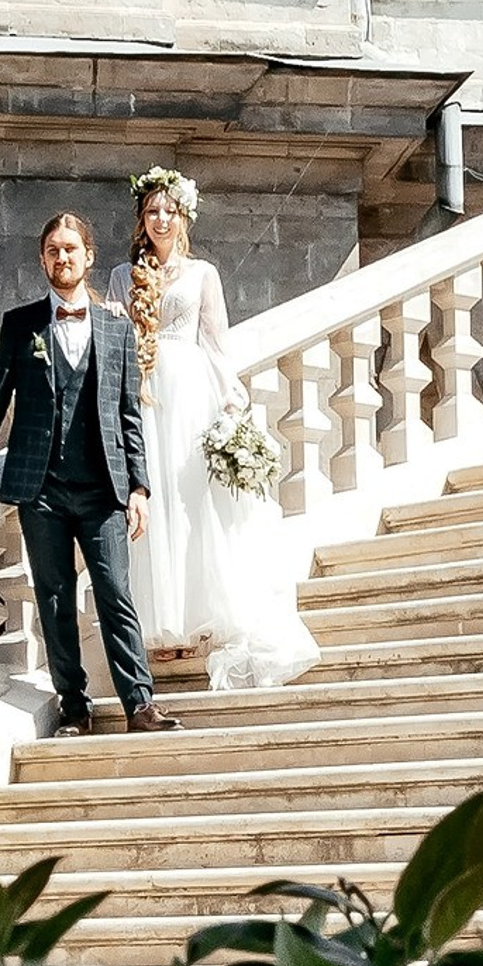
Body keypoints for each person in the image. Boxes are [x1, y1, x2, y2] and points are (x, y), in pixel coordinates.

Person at [0, 206, 166, 735]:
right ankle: (74, 706)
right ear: (43, 259)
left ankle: (140, 703)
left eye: (70, 249)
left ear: (89, 257)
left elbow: (128, 413)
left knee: (115, 594)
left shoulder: (117, 327)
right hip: (40, 487)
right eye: (52, 250)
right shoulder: (21, 325)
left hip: (103, 487)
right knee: (55, 597)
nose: (61, 257)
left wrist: (139, 486)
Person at [111, 166, 319, 693]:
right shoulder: (120, 276)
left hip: (190, 392)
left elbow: (217, 344)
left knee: (191, 502)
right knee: (152, 503)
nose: (160, 219)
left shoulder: (203, 273)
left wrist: (232, 404)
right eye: (152, 211)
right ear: (142, 219)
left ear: (184, 218)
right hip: (143, 395)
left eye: (169, 211)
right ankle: (161, 626)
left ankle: (198, 623)